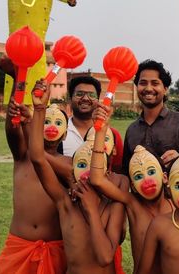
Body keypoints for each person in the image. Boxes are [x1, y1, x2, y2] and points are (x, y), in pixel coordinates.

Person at [29, 79, 126, 274]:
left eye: (94, 166)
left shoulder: (113, 205)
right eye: (81, 165)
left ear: (106, 171)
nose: (89, 171)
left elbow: (105, 257)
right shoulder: (65, 203)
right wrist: (39, 110)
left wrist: (91, 209)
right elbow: (38, 157)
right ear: (71, 172)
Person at [0, 57, 67, 274]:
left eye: (58, 123)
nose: (52, 127)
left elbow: (42, 158)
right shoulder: (22, 156)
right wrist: (18, 79)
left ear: (65, 134)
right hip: (20, 246)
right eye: (46, 121)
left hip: (56, 248)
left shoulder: (68, 165)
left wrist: (34, 121)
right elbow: (12, 126)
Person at [90, 104, 173, 273]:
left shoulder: (176, 205)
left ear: (165, 177)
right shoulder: (132, 203)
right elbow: (97, 179)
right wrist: (101, 131)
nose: (146, 180)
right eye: (138, 176)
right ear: (133, 186)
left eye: (151, 172)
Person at [122, 59, 179, 177]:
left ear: (165, 89)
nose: (148, 88)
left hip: (176, 194)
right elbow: (125, 171)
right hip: (141, 195)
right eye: (143, 83)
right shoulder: (132, 130)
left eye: (155, 83)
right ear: (137, 87)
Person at [61, 75, 124, 172]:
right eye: (79, 94)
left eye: (92, 95)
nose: (85, 98)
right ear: (70, 99)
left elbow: (118, 170)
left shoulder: (112, 135)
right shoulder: (59, 132)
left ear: (98, 100)